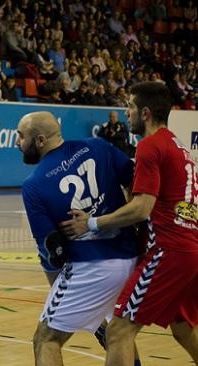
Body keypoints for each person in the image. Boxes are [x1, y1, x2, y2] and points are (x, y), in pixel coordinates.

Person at [60, 82, 198, 366]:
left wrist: (92, 223)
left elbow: (141, 207)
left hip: (167, 252)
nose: (126, 112)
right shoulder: (178, 146)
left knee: (119, 330)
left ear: (145, 112)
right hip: (189, 251)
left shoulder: (150, 145)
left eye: (131, 107)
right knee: (184, 330)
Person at [16, 111, 142, 366]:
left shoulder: (34, 185)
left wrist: (62, 292)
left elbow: (54, 252)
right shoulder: (99, 146)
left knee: (46, 339)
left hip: (91, 267)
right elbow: (137, 183)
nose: (17, 142)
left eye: (21, 136)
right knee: (119, 335)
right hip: (130, 257)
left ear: (40, 140)